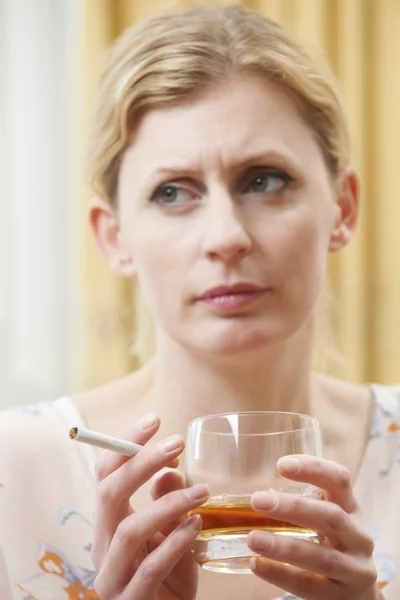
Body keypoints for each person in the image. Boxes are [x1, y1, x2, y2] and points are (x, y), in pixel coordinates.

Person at [0, 4, 399, 599]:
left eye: (264, 180)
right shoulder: (13, 473)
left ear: (342, 209)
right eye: (172, 193)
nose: (226, 237)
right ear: (113, 237)